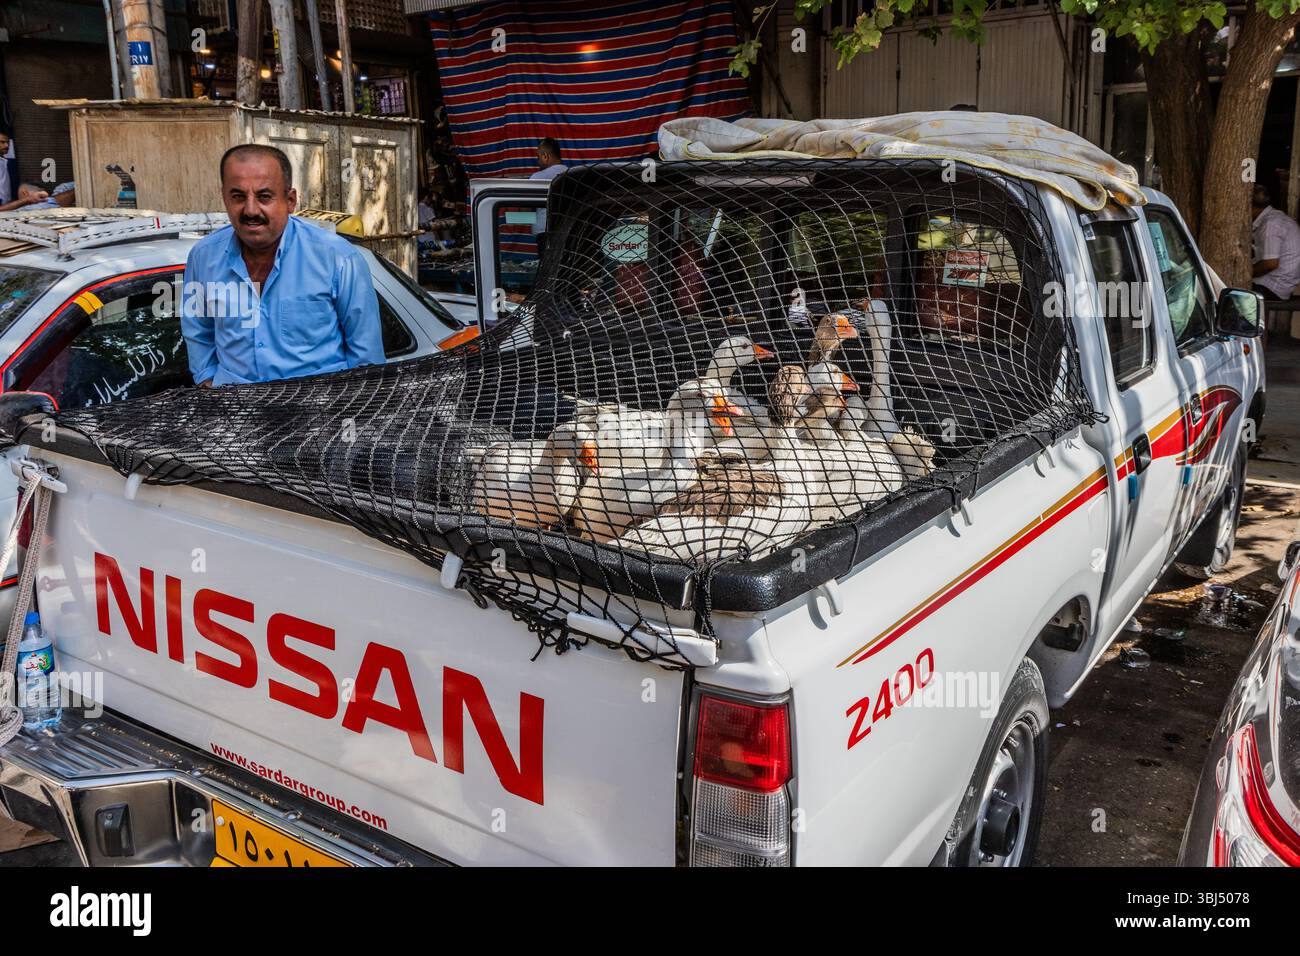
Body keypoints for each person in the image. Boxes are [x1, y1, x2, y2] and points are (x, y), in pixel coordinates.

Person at [181, 143, 385, 387]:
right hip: (235, 414)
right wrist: (208, 380)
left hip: (318, 413)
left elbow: (367, 359)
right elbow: (198, 331)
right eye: (237, 196)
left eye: (264, 196)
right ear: (224, 196)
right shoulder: (203, 258)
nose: (250, 209)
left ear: (290, 200)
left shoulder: (338, 258)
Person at [1251, 182, 1300, 301]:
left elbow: (1270, 264)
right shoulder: (1275, 218)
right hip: (1278, 286)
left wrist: (1244, 272)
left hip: (1271, 288)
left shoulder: (1271, 223)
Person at [529, 137, 566, 259]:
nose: (537, 160)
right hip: (567, 231)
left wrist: (513, 218)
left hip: (544, 233)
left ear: (545, 156)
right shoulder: (571, 173)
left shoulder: (537, 178)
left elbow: (530, 205)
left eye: (538, 157)